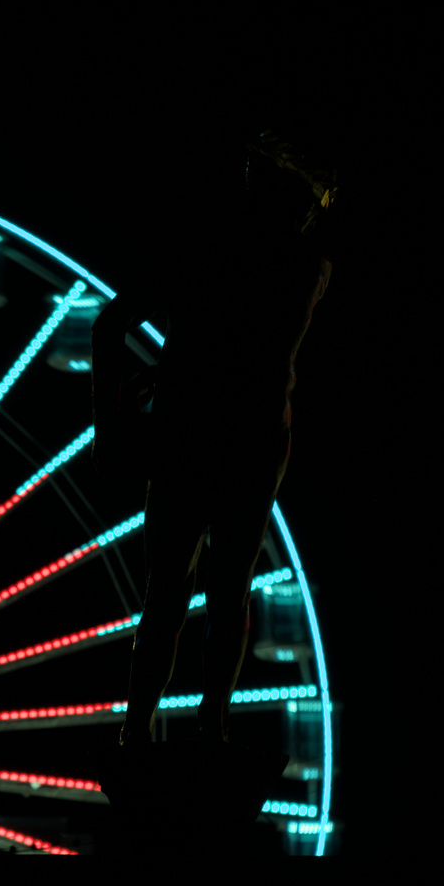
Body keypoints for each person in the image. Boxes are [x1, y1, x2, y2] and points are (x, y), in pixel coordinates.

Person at [91, 129, 340, 748]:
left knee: (166, 592)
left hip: (185, 429)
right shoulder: (309, 265)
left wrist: (111, 425)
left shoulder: (203, 249)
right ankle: (212, 728)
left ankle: (136, 729)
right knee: (230, 590)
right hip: (256, 437)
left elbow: (112, 323)